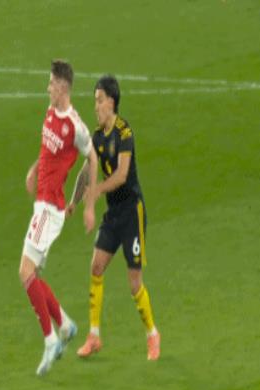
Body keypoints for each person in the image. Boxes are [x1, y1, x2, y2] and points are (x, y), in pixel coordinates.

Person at [67, 75, 160, 361]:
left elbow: (121, 175)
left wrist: (96, 191)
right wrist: (73, 201)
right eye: (94, 101)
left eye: (99, 101)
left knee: (134, 283)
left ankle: (152, 335)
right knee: (96, 267)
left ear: (111, 102)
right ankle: (94, 336)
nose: (95, 106)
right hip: (113, 215)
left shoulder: (124, 132)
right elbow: (87, 171)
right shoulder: (97, 137)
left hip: (132, 213)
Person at [19, 60, 97, 376]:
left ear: (63, 87)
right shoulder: (50, 111)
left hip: (51, 209)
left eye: (51, 83)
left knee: (25, 272)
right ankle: (64, 325)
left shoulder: (76, 127)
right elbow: (46, 150)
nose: (48, 87)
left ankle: (50, 339)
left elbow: (93, 159)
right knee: (33, 274)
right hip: (42, 204)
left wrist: (87, 204)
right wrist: (34, 170)